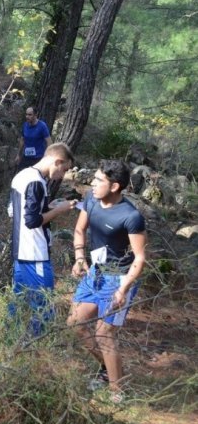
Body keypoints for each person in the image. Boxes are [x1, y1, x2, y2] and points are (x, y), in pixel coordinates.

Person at [67, 160, 147, 403]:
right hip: (95, 274)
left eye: (99, 180)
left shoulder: (131, 216)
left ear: (114, 186)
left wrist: (123, 289)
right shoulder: (91, 200)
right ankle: (108, 370)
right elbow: (80, 230)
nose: (92, 183)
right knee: (75, 324)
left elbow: (141, 257)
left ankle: (117, 393)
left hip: (119, 277)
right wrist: (80, 257)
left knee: (104, 334)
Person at [8, 143, 77, 336]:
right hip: (34, 252)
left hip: (20, 251)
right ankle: (39, 346)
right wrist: (58, 210)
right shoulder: (36, 181)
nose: (62, 176)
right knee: (43, 304)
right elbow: (32, 221)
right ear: (57, 161)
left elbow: (14, 212)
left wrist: (48, 205)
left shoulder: (23, 176)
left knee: (18, 300)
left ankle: (9, 339)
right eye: (63, 170)